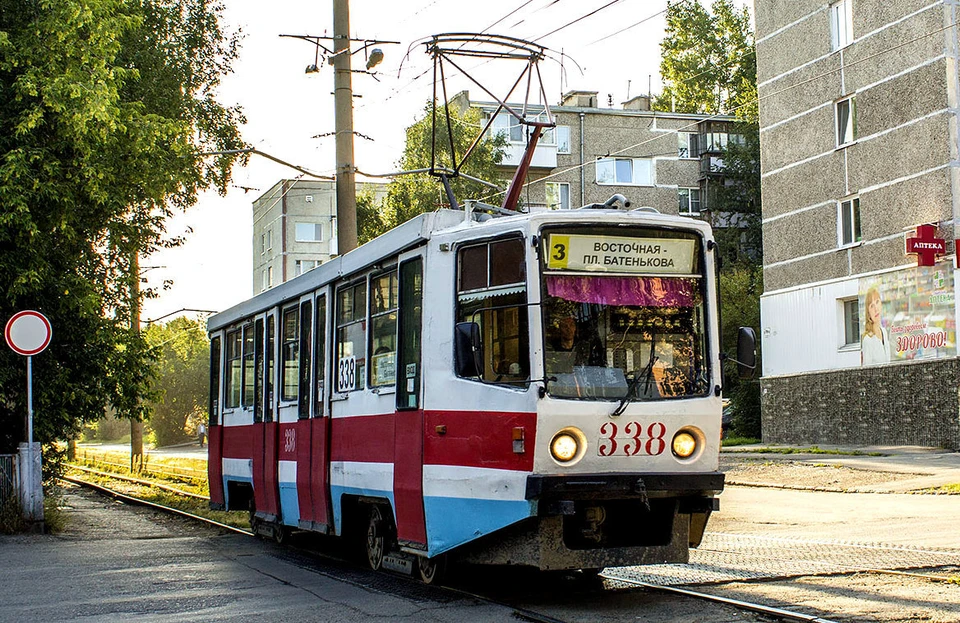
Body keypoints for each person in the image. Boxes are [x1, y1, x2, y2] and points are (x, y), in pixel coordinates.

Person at [861, 287, 890, 366]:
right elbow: (867, 372)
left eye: (877, 302)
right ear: (868, 313)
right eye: (871, 306)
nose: (876, 309)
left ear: (881, 304)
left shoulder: (884, 332)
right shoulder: (868, 340)